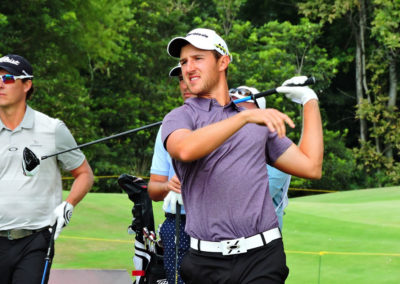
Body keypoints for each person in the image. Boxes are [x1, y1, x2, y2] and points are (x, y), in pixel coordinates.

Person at [161, 28, 323, 283]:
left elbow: (311, 166)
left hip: (262, 258)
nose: (188, 67)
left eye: (198, 58)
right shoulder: (181, 117)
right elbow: (185, 148)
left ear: (223, 61)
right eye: (183, 61)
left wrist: (309, 101)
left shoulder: (257, 122)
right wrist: (245, 117)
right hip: (205, 263)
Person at [0, 54, 94, 284]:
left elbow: (84, 173)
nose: (0, 84)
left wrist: (68, 204)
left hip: (35, 241)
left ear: (27, 84)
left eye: (9, 78)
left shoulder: (52, 129)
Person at [148, 64, 193, 284]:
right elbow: (154, 189)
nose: (185, 85)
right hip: (178, 224)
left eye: (190, 77)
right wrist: (168, 186)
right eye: (181, 79)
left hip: (219, 226)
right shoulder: (169, 125)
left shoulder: (225, 121)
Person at [229, 86, 291, 229]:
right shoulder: (227, 144)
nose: (236, 113)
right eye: (233, 108)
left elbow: (253, 197)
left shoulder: (276, 144)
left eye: (242, 108)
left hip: (265, 240)